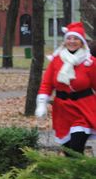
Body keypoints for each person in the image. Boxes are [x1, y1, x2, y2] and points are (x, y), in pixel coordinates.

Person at [35, 21, 96, 154]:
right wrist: (41, 104)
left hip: (83, 108)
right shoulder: (56, 60)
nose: (72, 41)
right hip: (62, 110)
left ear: (81, 42)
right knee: (68, 151)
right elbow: (47, 84)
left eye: (76, 38)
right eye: (69, 38)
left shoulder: (89, 62)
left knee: (76, 146)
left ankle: (80, 173)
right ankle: (74, 173)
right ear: (65, 41)